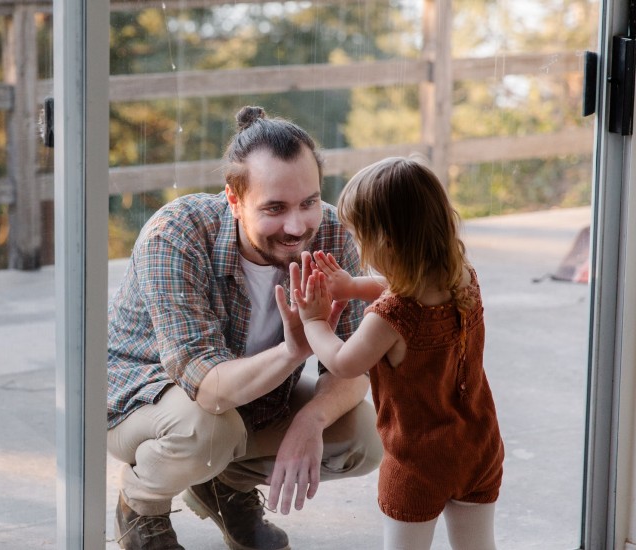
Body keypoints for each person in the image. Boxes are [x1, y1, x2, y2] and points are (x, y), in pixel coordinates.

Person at [107, 106, 384, 550]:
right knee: (211, 431)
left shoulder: (331, 232)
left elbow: (355, 365)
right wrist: (293, 351)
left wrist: (310, 421)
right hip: (144, 401)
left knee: (364, 437)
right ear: (234, 200)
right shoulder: (175, 234)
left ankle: (224, 487)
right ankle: (140, 504)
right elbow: (210, 388)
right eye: (274, 208)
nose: (297, 227)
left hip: (252, 400)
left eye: (308, 202)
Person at [293, 157, 505, 550]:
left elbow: (344, 362)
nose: (358, 246)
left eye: (360, 237)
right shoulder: (462, 277)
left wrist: (313, 322)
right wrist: (354, 286)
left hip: (418, 463)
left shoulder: (390, 318)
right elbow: (406, 285)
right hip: (478, 447)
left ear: (386, 243)